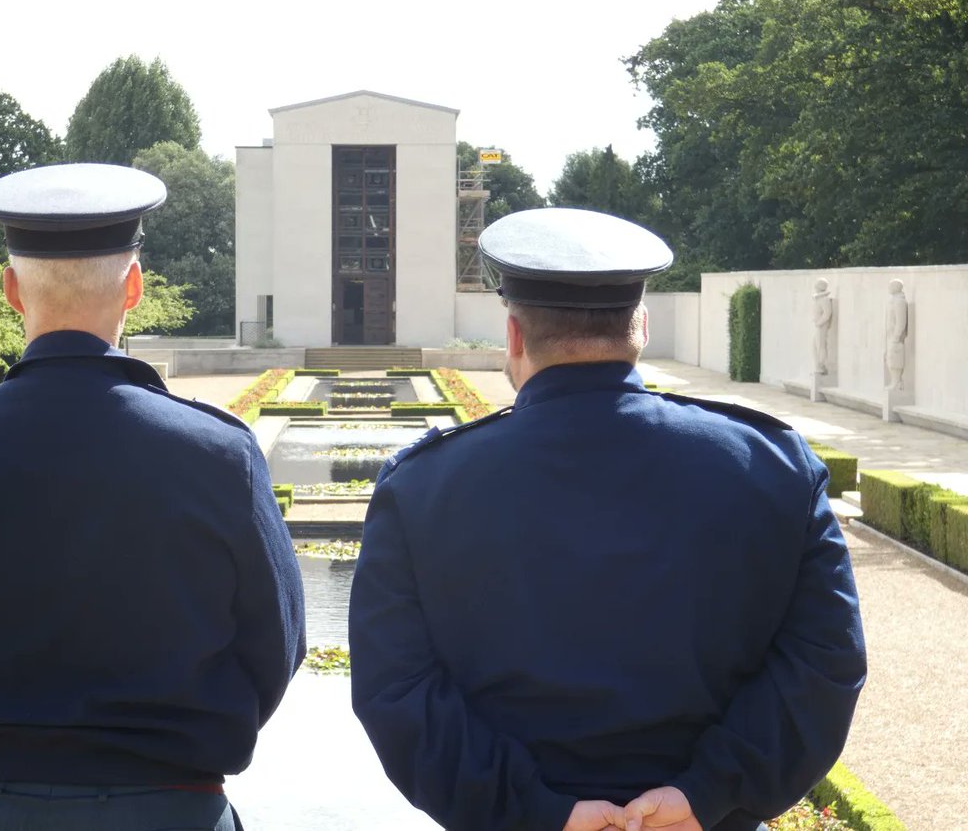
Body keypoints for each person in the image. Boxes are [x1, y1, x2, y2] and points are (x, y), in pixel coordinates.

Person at [349, 207, 866, 831]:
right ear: (641, 325)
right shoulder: (772, 466)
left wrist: (538, 812)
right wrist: (708, 792)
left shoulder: (422, 486)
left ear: (514, 334)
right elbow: (825, 663)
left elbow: (396, 690)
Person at [0, 163, 305, 830]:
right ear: (135, 286)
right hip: (167, 806)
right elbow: (277, 643)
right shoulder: (216, 451)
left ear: (11, 290)